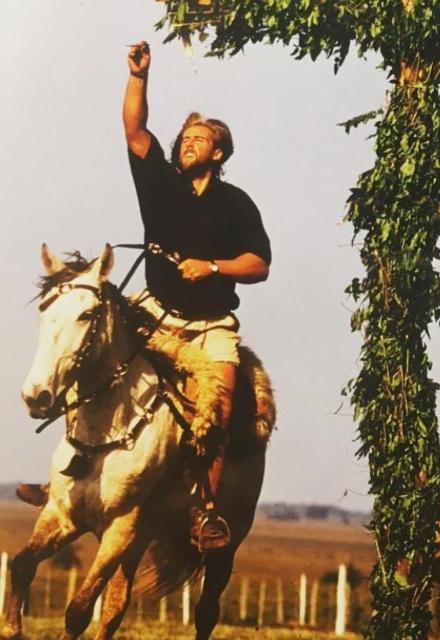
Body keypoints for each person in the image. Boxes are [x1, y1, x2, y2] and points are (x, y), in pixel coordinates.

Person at [123, 41, 272, 550]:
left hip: (211, 328)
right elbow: (135, 130)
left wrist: (212, 267)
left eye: (199, 138)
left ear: (219, 152)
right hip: (155, 315)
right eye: (185, 137)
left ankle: (207, 514)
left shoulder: (236, 204)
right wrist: (140, 77)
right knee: (94, 358)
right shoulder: (160, 183)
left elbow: (260, 264)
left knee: (219, 413)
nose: (187, 143)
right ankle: (70, 475)